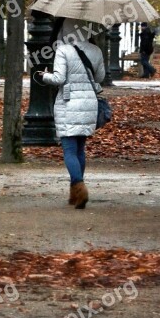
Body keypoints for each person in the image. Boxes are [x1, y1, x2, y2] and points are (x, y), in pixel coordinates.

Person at [37, 18, 105, 209]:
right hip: (88, 103)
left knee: (68, 149)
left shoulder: (63, 50)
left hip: (68, 103)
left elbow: (58, 78)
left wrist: (44, 76)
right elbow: (99, 77)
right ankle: (75, 194)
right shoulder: (96, 50)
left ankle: (79, 188)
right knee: (79, 149)